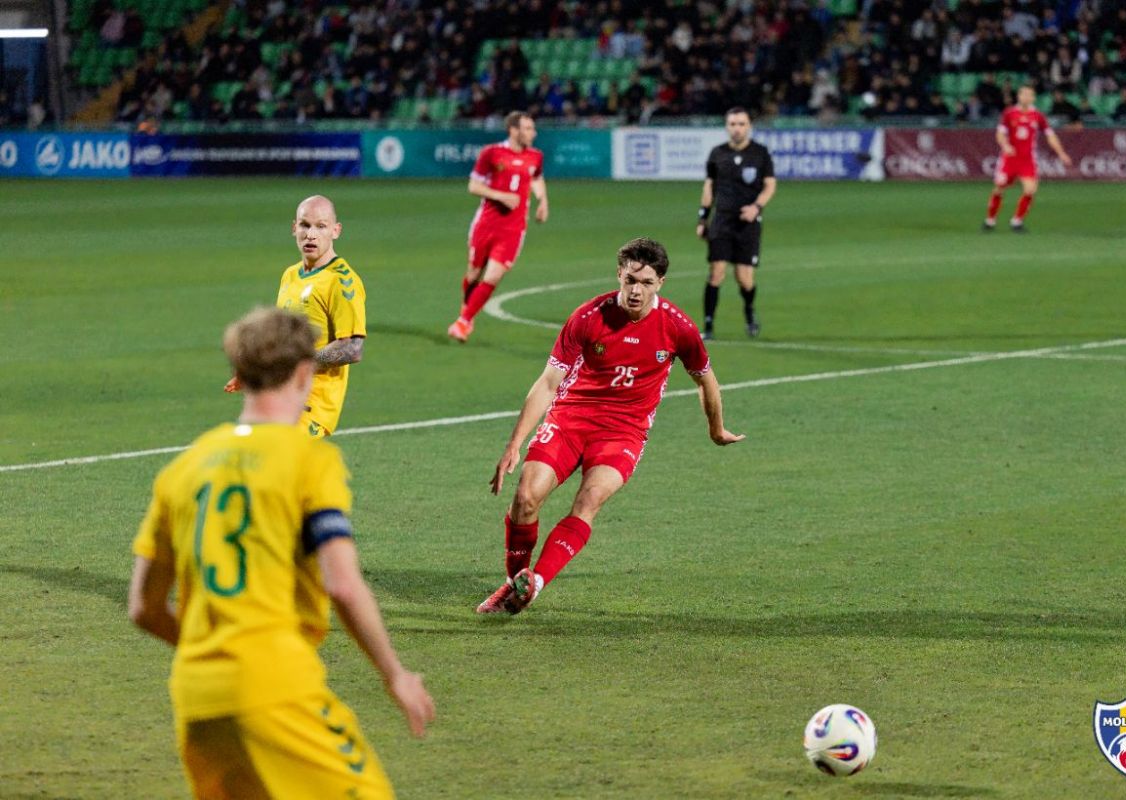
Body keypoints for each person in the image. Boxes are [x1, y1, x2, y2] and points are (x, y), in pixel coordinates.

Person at [129, 307, 434, 799]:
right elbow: (342, 585)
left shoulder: (183, 469)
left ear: (241, 373)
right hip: (275, 684)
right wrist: (394, 675)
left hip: (197, 698)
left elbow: (143, 608)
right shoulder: (309, 460)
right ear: (304, 373)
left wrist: (215, 657)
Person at [476, 238, 744, 615]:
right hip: (571, 419)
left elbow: (706, 381)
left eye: (646, 283)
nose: (636, 291)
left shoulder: (678, 327)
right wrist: (514, 443)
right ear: (619, 274)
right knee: (525, 498)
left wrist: (716, 429)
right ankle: (513, 583)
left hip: (624, 432)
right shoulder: (588, 317)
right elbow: (549, 383)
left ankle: (535, 583)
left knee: (589, 500)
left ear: (661, 283)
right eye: (630, 279)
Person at [224, 195, 366, 437]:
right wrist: (256, 367)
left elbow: (352, 348)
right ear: (294, 228)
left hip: (312, 406)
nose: (311, 234)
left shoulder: (342, 281)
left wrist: (295, 366)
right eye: (305, 225)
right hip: (281, 398)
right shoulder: (290, 275)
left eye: (321, 226)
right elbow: (283, 338)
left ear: (335, 231)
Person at [448, 111, 549, 343]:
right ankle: (467, 309)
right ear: (513, 130)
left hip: (514, 229)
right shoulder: (491, 153)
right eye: (528, 128)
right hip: (486, 223)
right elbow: (473, 186)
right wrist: (501, 196)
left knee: (493, 276)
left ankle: (463, 322)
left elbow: (536, 177)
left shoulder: (536, 156)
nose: (533, 133)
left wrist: (543, 200)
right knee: (474, 273)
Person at [696, 107, 776, 340]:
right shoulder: (717, 153)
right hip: (721, 221)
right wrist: (702, 218)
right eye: (732, 124)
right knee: (716, 273)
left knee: (744, 278)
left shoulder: (760, 153)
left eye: (741, 124)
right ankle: (708, 326)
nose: (737, 128)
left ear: (749, 126)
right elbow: (709, 187)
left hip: (748, 224)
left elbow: (770, 185)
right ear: (727, 126)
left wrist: (756, 207)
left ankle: (749, 310)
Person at [983, 85, 1072, 233]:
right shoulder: (1009, 113)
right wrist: (1005, 145)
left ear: (1033, 98)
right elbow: (1000, 134)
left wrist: (1061, 153)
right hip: (1009, 159)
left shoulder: (1038, 116)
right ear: (1018, 96)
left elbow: (1050, 136)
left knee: (1030, 189)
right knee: (999, 188)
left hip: (1027, 159)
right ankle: (990, 220)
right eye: (1023, 94)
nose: (1026, 97)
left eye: (1029, 95)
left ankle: (1017, 221)